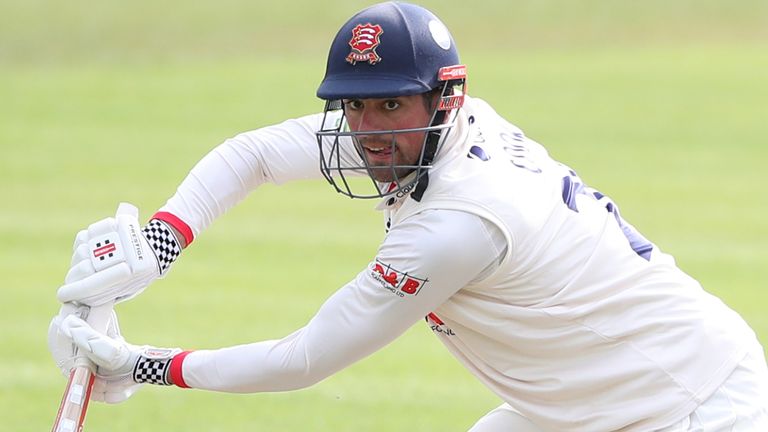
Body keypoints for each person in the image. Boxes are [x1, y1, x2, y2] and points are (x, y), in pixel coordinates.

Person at [48, 2, 768, 431]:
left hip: (694, 406)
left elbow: (306, 359)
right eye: (353, 105)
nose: (367, 129)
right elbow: (255, 154)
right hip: (585, 401)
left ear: (443, 99)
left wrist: (144, 365)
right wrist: (161, 240)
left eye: (390, 103)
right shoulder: (415, 139)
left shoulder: (461, 222)